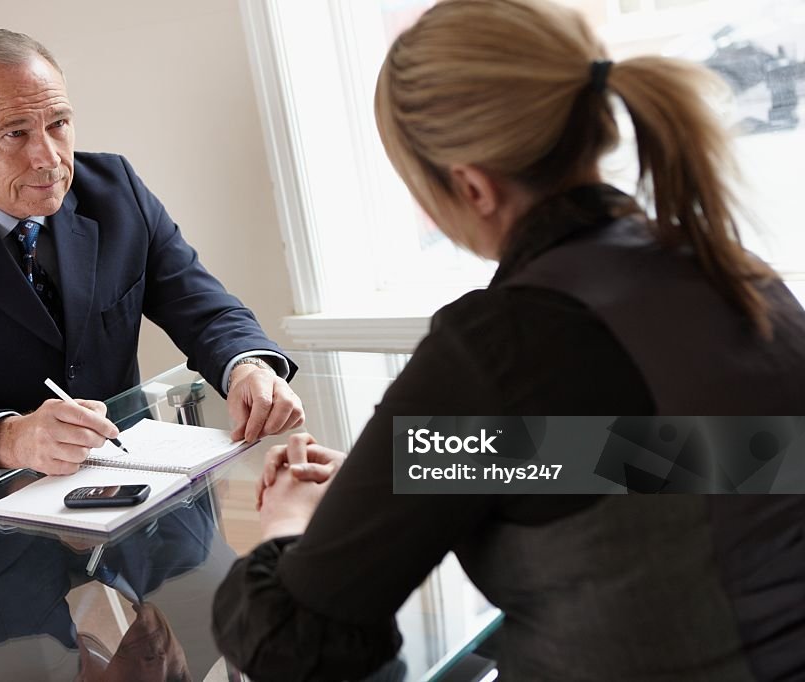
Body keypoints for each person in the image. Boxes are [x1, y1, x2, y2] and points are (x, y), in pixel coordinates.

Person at [212, 0, 805, 680]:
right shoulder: (736, 277)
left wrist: (292, 523)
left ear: (470, 185)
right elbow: (703, 468)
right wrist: (409, 473)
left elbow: (292, 642)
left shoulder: (500, 345)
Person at [0, 28, 304, 487]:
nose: (48, 158)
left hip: (138, 486)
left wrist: (248, 366)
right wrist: (10, 438)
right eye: (15, 133)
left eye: (58, 123)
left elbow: (203, 309)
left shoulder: (116, 188)